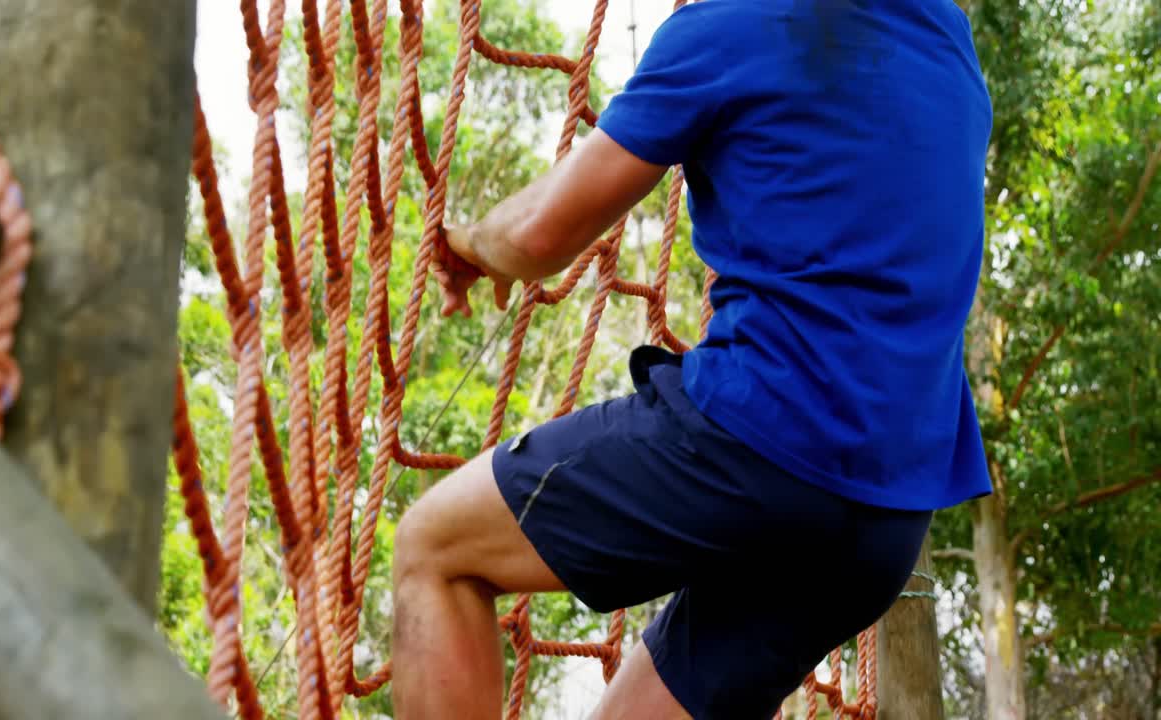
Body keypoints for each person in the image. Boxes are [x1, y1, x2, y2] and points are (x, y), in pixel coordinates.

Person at [391, 0, 994, 717]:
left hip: (760, 442)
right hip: (886, 522)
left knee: (436, 549)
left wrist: (469, 244)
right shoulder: (946, 39)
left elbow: (538, 235)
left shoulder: (730, 25)